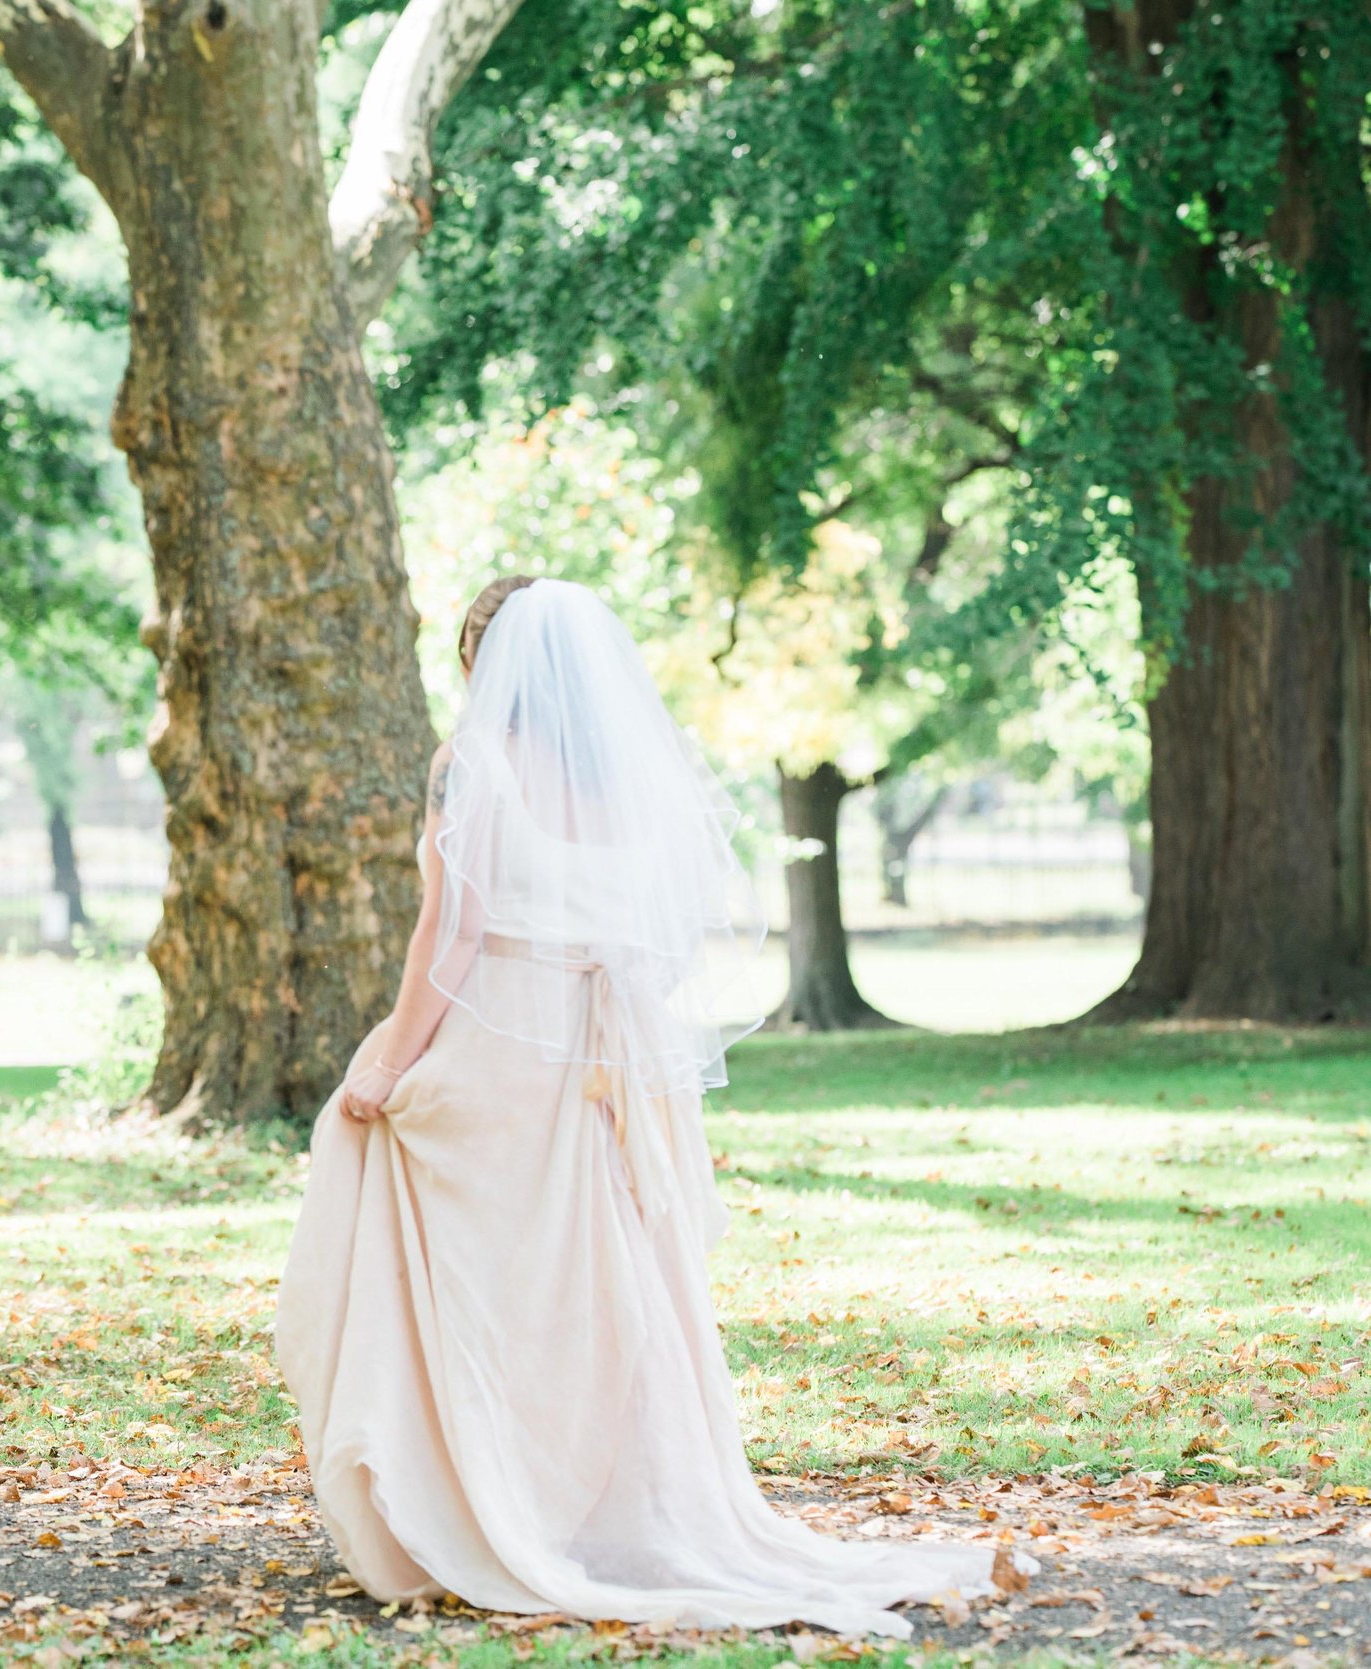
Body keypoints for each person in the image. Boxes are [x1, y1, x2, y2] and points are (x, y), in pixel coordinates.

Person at [274, 577, 1023, 1635]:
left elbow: (446, 936)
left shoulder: (472, 765)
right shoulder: (633, 777)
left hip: (498, 1035)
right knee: (598, 1278)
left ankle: (484, 1500)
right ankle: (591, 1505)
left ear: (484, 668)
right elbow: (667, 942)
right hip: (605, 1049)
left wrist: (387, 1063)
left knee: (486, 1278)